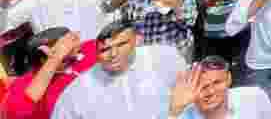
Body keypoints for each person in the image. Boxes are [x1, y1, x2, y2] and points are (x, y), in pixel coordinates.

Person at [51, 20, 187, 118]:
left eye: (121, 44)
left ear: (138, 40)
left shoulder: (164, 58)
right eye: (105, 49)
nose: (113, 54)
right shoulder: (79, 89)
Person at [1, 28, 96, 119]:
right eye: (66, 51)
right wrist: (54, 59)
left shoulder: (89, 48)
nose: (76, 55)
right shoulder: (23, 84)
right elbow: (14, 113)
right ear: (43, 57)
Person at [164, 57, 271, 119]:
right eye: (202, 87)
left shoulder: (253, 97)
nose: (210, 91)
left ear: (229, 79)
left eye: (217, 83)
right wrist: (174, 112)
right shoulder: (181, 115)